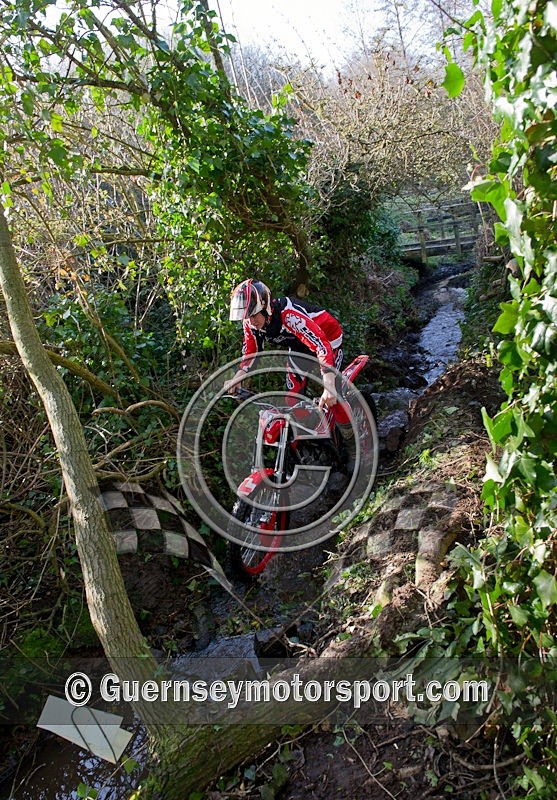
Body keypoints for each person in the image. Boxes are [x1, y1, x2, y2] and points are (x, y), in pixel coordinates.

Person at [223, 278, 352, 432]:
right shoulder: (250, 323)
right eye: (246, 317)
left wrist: (329, 384)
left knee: (334, 397)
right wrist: (239, 375)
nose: (251, 321)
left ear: (266, 308)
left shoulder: (289, 315)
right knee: (292, 399)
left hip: (328, 340)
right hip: (300, 347)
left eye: (254, 315)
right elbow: (252, 351)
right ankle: (309, 434)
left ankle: (352, 437)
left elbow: (320, 345)